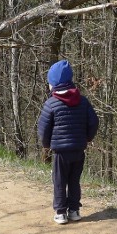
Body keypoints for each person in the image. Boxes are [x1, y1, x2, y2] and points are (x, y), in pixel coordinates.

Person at [37, 60, 99, 224]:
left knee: (59, 181)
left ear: (54, 85)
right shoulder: (83, 101)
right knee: (74, 181)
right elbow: (94, 122)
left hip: (60, 152)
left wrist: (46, 144)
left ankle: (60, 212)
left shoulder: (51, 104)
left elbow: (43, 129)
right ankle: (74, 211)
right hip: (78, 149)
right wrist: (87, 137)